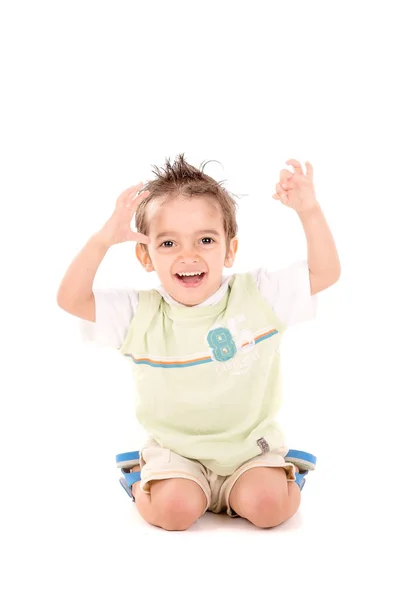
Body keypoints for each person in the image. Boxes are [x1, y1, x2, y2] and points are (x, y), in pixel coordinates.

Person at [57, 154, 340, 531]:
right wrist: (102, 240)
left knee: (272, 508)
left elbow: (325, 272)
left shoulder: (257, 295)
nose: (188, 255)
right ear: (145, 254)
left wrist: (310, 211)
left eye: (205, 240)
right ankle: (142, 474)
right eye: (169, 242)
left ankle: (280, 474)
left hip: (248, 450)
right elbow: (71, 300)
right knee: (173, 512)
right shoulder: (140, 314)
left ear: (229, 250)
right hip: (177, 453)